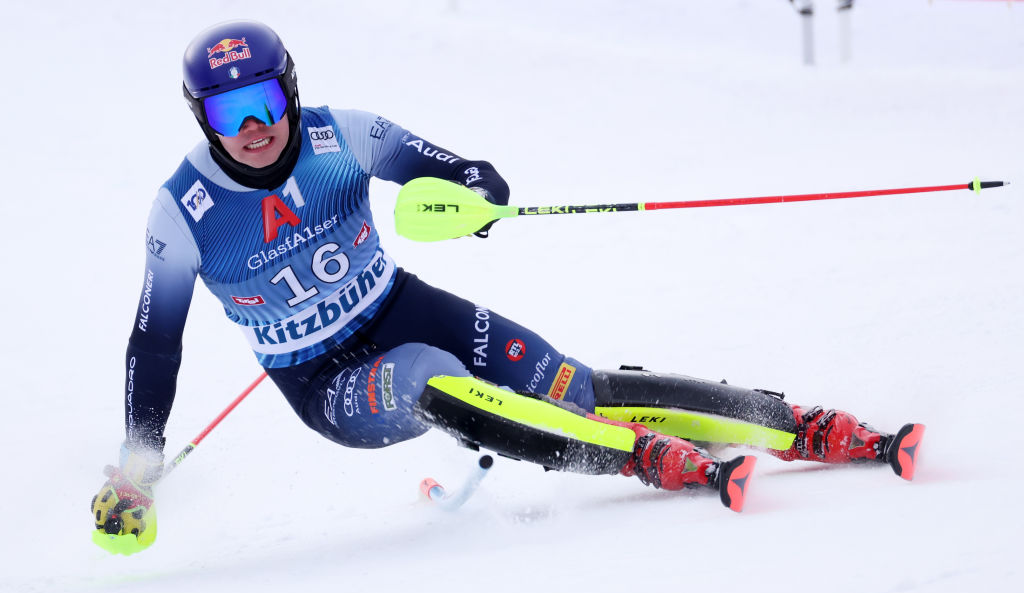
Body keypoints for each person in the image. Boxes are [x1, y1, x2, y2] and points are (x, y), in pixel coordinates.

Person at [92, 21, 924, 545]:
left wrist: (479, 194)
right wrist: (137, 461)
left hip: (396, 302)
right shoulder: (183, 211)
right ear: (201, 118)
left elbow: (453, 167)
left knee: (568, 381)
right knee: (424, 376)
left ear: (292, 89)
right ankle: (651, 461)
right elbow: (154, 345)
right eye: (229, 113)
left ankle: (798, 426)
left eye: (266, 100)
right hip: (325, 381)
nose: (255, 128)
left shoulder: (340, 134)